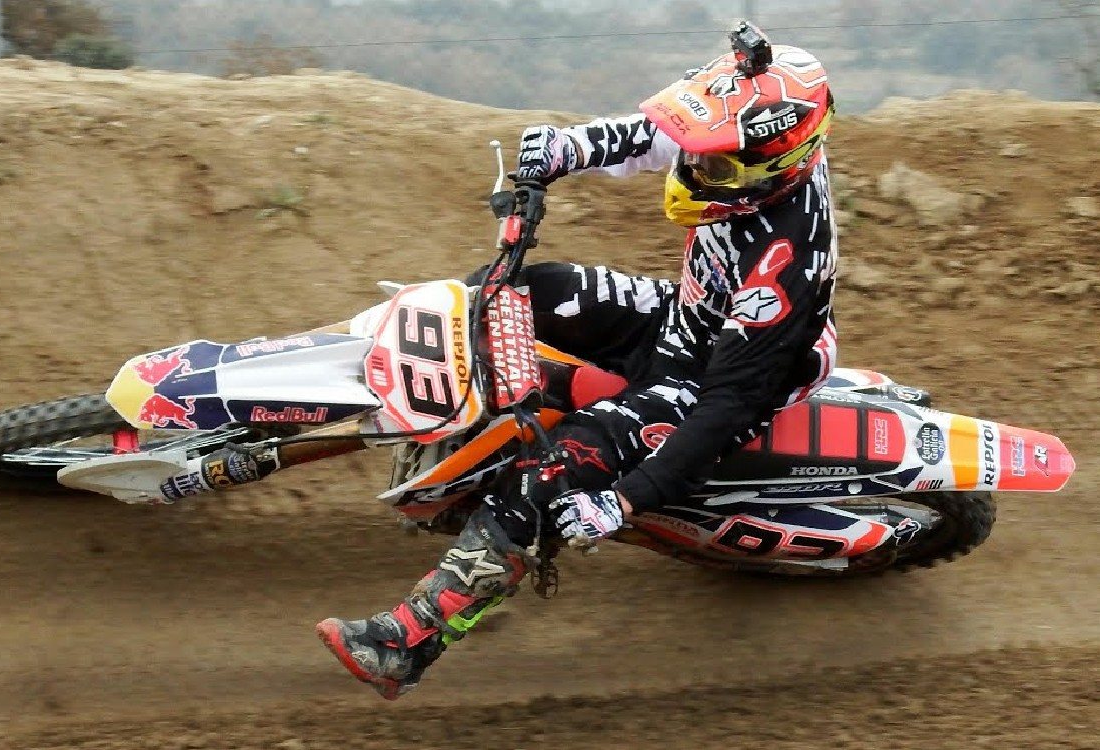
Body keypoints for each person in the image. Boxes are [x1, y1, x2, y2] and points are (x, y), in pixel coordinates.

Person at [315, 21, 842, 700]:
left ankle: (408, 643)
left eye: (712, 168)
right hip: (684, 316)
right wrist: (569, 147)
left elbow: (728, 407)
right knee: (521, 291)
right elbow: (659, 135)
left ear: (771, 170)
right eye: (700, 156)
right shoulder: (751, 146)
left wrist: (621, 503)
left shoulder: (785, 264)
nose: (693, 171)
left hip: (717, 374)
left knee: (549, 475)